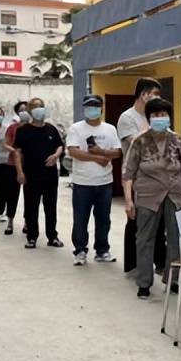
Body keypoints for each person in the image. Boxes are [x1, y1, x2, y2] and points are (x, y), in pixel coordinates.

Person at [122, 97, 181, 300]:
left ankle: (172, 280)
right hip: (147, 197)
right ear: (149, 118)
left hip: (175, 196)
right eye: (155, 115)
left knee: (175, 239)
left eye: (163, 114)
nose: (159, 118)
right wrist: (128, 201)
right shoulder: (140, 141)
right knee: (145, 239)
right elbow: (128, 173)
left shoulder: (176, 139)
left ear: (169, 117)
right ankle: (144, 283)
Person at [65, 94, 122, 266]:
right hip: (83, 183)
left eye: (96, 106)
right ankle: (80, 250)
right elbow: (73, 151)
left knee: (104, 219)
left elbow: (117, 152)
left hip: (105, 182)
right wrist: (97, 158)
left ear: (101, 108)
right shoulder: (76, 129)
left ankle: (102, 250)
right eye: (89, 106)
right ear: (84, 108)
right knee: (81, 219)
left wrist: (102, 152)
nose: (93, 109)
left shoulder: (110, 129)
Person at [117, 77, 165, 274]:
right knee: (136, 222)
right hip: (136, 177)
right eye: (154, 94)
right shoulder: (127, 118)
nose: (156, 99)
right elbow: (137, 142)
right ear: (143, 94)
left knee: (159, 223)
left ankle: (160, 263)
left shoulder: (155, 116)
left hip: (158, 178)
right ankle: (134, 264)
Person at [14, 97, 64, 249]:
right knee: (31, 206)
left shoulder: (51, 129)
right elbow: (17, 152)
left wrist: (56, 156)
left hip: (49, 175)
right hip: (30, 174)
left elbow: (60, 146)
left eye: (41, 106)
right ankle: (32, 237)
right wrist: (20, 172)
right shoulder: (23, 130)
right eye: (35, 106)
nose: (39, 109)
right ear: (30, 111)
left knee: (51, 206)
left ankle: (52, 236)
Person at [1, 101, 29, 235]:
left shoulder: (34, 127)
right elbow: (5, 144)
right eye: (21, 110)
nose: (24, 112)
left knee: (30, 195)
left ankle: (27, 221)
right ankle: (10, 221)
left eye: (27, 109)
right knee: (12, 194)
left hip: (30, 165)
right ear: (18, 113)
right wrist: (15, 150)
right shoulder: (12, 128)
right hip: (12, 164)